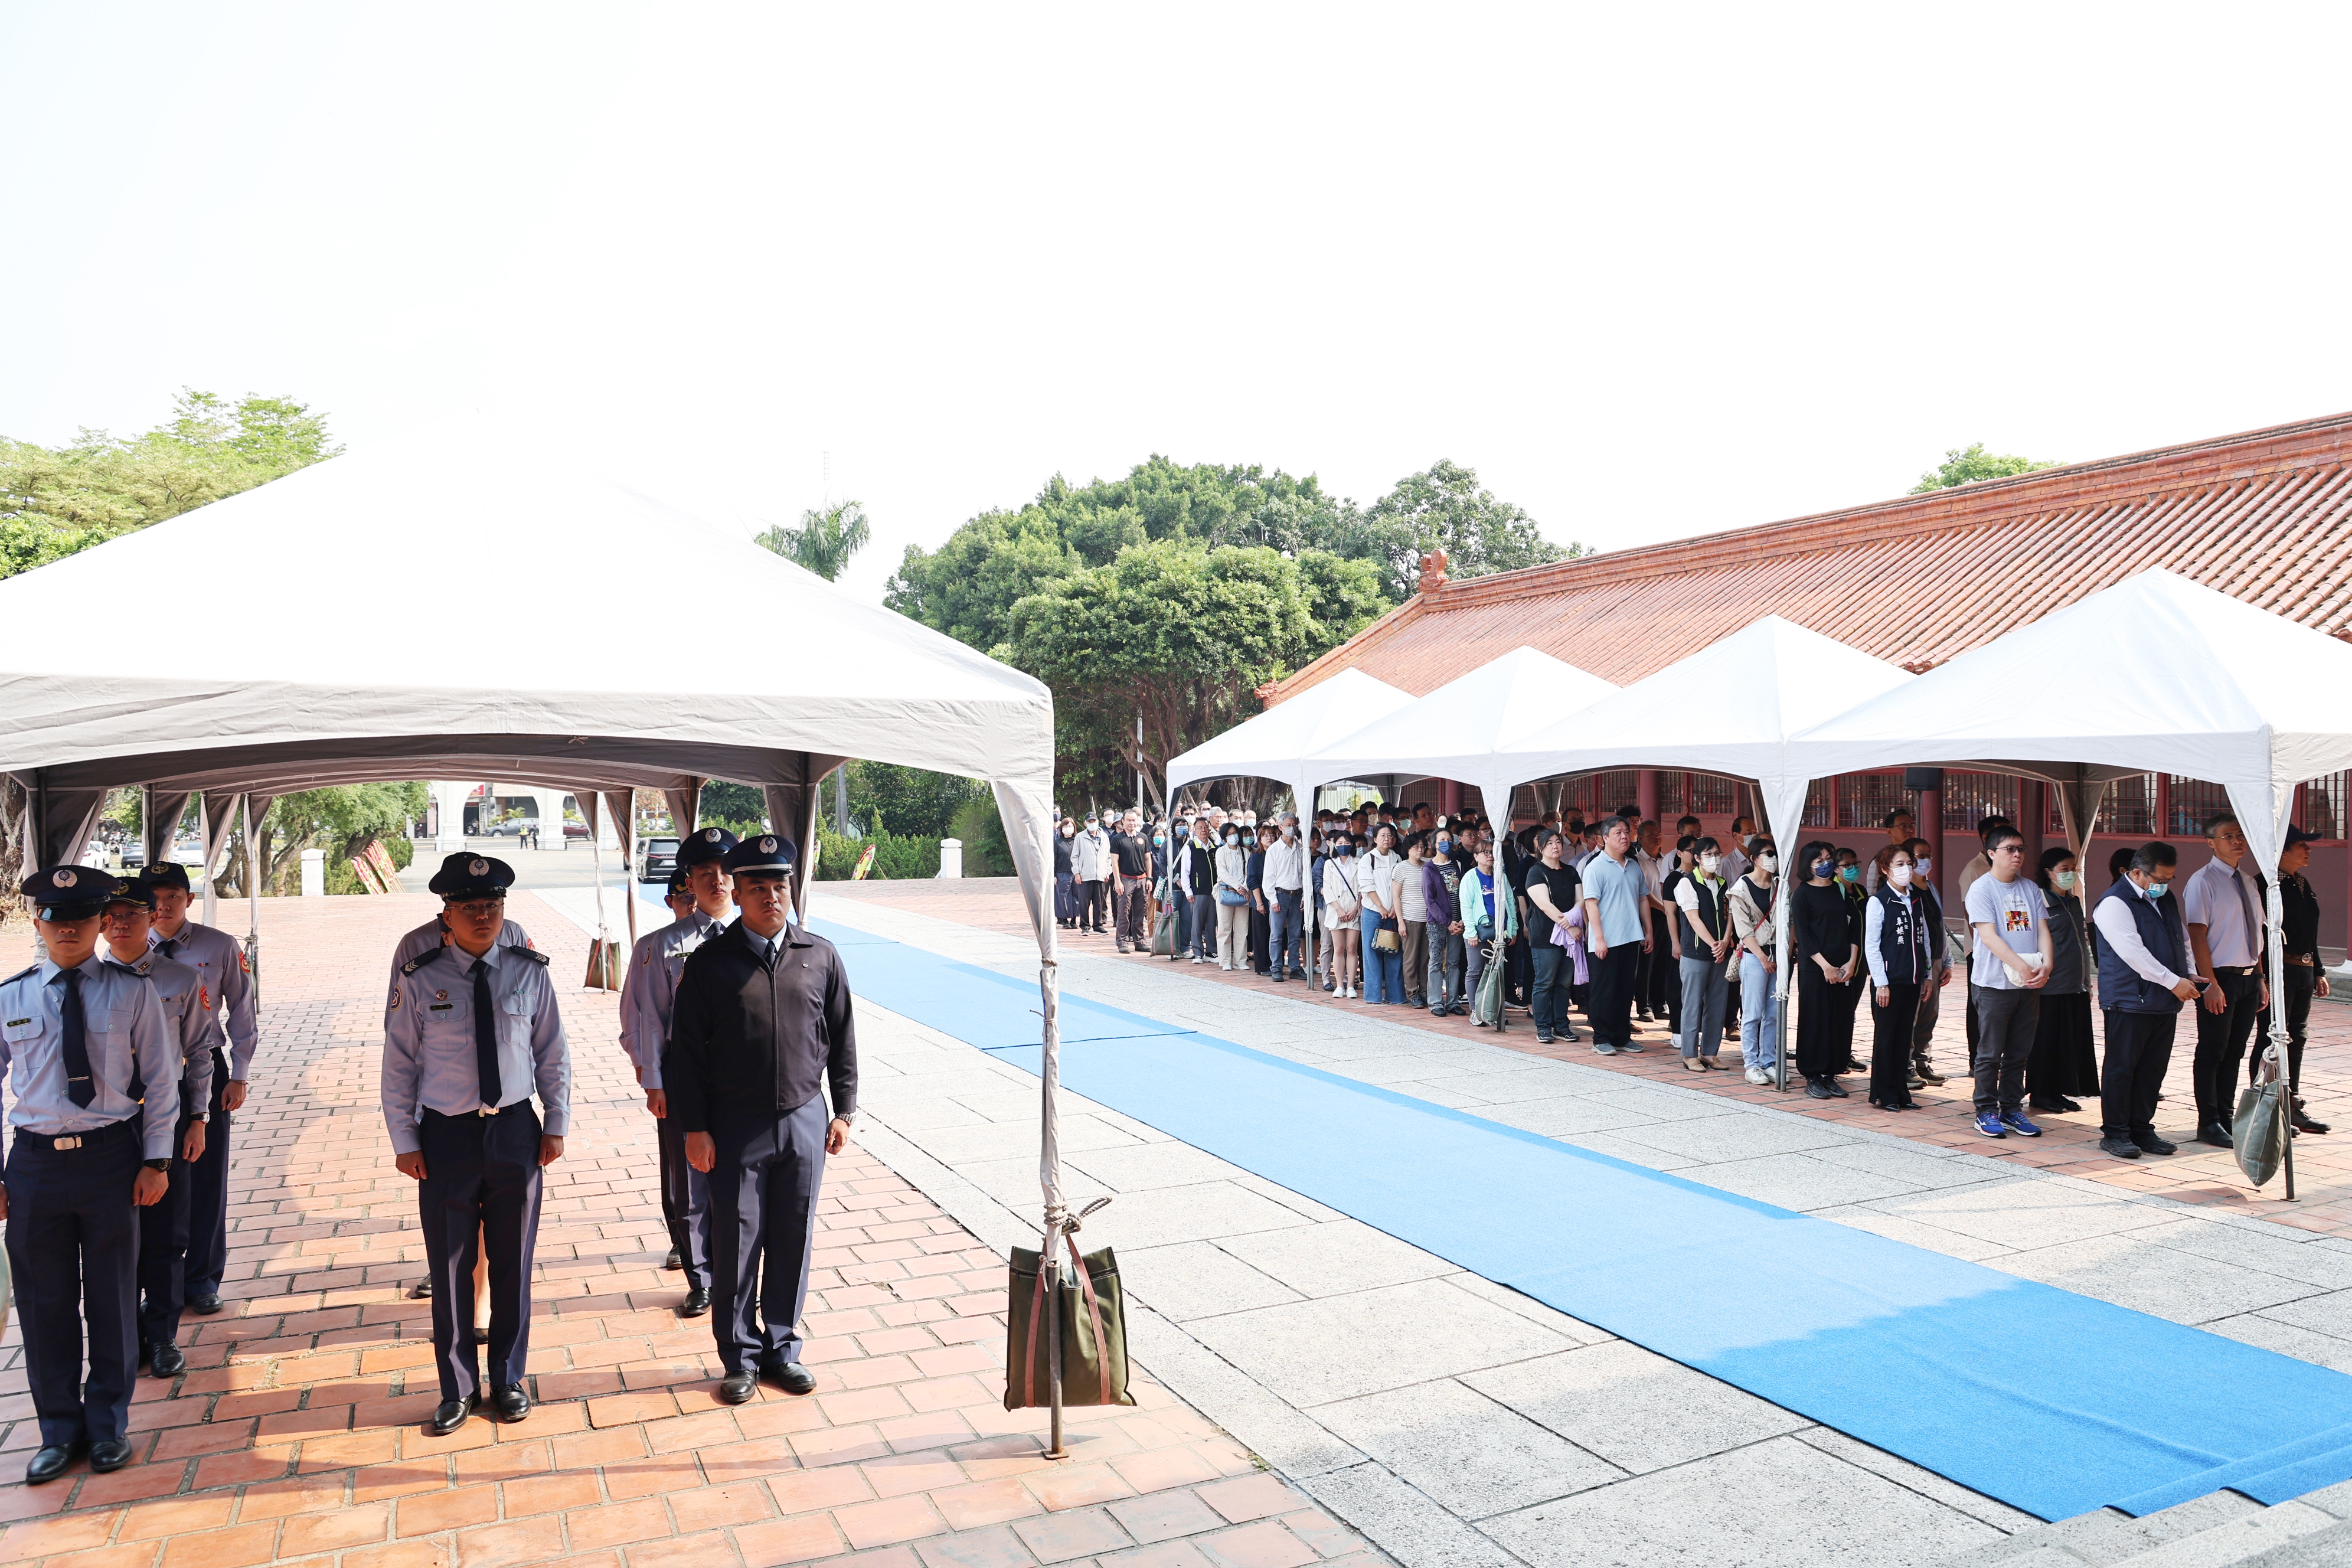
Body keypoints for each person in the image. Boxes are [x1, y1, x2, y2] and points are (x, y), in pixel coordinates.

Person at [2, 867, 180, 1482]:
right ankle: (58, 1429)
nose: (68, 928)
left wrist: (157, 1159)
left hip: (111, 1158)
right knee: (44, 1302)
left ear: (102, 922)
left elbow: (161, 1082)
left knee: (110, 1296)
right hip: (34, 1166)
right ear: (38, 923)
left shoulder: (131, 993)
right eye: (56, 918)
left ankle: (108, 1424)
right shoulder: (10, 998)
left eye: (81, 918)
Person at [383, 854, 570, 1433]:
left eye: (492, 905)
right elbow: (399, 1064)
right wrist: (405, 1137)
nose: (483, 916)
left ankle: (508, 1378)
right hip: (446, 1135)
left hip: (516, 1129)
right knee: (453, 1264)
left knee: (512, 1264)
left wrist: (557, 1121)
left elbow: (552, 1052)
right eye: (470, 907)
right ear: (447, 913)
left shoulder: (528, 970)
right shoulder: (422, 975)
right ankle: (457, 1387)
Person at [668, 834, 855, 1407]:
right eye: (757, 887)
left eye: (779, 885)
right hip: (735, 1125)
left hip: (803, 1118)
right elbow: (684, 1055)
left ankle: (782, 1346)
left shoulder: (819, 955)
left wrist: (844, 1107)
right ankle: (740, 1356)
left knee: (793, 1235)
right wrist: (694, 1127)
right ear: (739, 892)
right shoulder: (710, 963)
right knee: (738, 1239)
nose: (771, 896)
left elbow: (842, 1034)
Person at [103, 875, 217, 1378]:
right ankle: (125, 1335)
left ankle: (163, 1334)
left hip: (165, 1117)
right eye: (114, 915)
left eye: (134, 913)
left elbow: (199, 1054)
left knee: (168, 1234)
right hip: (107, 1124)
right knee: (113, 1237)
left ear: (153, 919)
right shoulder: (83, 982)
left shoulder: (180, 980)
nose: (123, 923)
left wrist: (198, 1119)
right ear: (101, 923)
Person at [620, 828, 737, 1318]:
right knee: (687, 1185)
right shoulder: (660, 947)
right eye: (703, 874)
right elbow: (643, 1017)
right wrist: (653, 1081)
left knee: (739, 1182)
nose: (715, 882)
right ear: (688, 881)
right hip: (683, 1082)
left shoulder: (755, 938)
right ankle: (702, 1278)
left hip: (742, 1084)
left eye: (723, 873)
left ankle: (736, 1272)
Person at [142, 861, 254, 1321]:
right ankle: (159, 1281)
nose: (162, 906)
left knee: (207, 1178)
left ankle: (203, 1278)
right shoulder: (122, 949)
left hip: (204, 1071)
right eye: (153, 899)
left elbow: (243, 1012)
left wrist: (240, 1074)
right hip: (145, 1080)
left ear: (189, 901)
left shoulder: (219, 946)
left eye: (172, 897)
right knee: (155, 1179)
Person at [2092, 842, 2198, 1159]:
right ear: (2136, 872)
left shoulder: (2164, 897)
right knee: (2122, 1068)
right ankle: (2116, 1132)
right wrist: (2173, 981)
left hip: (2164, 998)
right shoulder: (2114, 903)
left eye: (2170, 878)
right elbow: (2133, 953)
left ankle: (2142, 1127)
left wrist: (2190, 973)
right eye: (2159, 878)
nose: (2164, 885)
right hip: (2129, 999)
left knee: (2153, 1069)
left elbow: (2182, 938)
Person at [2182, 812, 2268, 1148]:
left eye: (2240, 836)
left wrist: (2260, 977)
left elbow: (2256, 933)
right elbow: (2197, 934)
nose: (2237, 842)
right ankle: (2209, 1121)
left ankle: (2227, 1113)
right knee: (2213, 1050)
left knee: (2235, 1050)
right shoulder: (2202, 882)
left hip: (2248, 978)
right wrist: (2210, 984)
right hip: (2221, 980)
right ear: (2210, 842)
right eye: (2228, 836)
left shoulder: (2248, 881)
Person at [1965, 825, 2053, 1139]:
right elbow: (1987, 936)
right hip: (1994, 984)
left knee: (2019, 1052)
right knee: (1990, 1052)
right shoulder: (1982, 889)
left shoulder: (2030, 888)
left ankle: (2012, 1109)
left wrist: (2047, 964)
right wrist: (2021, 966)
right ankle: (1985, 1111)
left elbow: (2043, 929)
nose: (2017, 855)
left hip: (2028, 983)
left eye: (2021, 849)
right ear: (1991, 853)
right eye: (2010, 849)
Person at [2263, 825, 2331, 1135]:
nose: (2308, 850)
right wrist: (2263, 977)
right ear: (2283, 851)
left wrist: (2318, 969)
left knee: (2298, 1038)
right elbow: (2262, 937)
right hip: (2280, 972)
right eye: (2302, 845)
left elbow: (2311, 933)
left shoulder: (2302, 883)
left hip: (2302, 971)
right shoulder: (2267, 885)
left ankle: (2291, 1104)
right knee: (2273, 1039)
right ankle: (2266, 1107)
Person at [2025, 848, 2097, 1116]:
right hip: (2050, 987)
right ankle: (2041, 1093)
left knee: (2068, 1042)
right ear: (2048, 872)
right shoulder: (2040, 904)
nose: (2070, 874)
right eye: (2064, 869)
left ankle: (2058, 1091)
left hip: (2075, 985)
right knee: (2046, 1042)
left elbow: (2081, 945)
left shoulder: (2074, 902)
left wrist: (2087, 982)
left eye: (2073, 869)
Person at [1862, 845, 1930, 1110]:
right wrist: (1881, 982)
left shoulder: (1915, 898)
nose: (1906, 869)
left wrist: (1926, 975)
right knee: (1887, 1037)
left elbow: (1923, 938)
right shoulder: (1878, 902)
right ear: (1885, 869)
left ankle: (1902, 1093)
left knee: (1905, 1038)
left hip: (1911, 980)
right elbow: (1872, 945)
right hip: (1888, 982)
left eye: (1908, 863)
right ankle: (1885, 1094)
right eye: (1899, 864)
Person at [1791, 841, 1860, 1099]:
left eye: (1829, 858)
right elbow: (1805, 937)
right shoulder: (1802, 894)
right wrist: (1826, 967)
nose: (1826, 864)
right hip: (1816, 969)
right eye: (1819, 861)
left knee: (1839, 1019)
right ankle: (1813, 1075)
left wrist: (1851, 962)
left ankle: (1831, 1073)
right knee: (1816, 1018)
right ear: (1807, 866)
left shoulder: (1840, 890)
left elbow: (1854, 928)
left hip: (1843, 967)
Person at [1580, 818, 1650, 1056]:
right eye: (1618, 832)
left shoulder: (1633, 865)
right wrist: (1599, 939)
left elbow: (1643, 899)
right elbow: (1591, 905)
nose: (1624, 836)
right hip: (1607, 940)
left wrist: (1648, 931)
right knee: (1603, 989)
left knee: (1625, 989)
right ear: (1604, 838)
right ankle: (1601, 1037)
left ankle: (1622, 1036)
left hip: (1631, 936)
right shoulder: (1595, 867)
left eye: (1627, 832)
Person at [1674, 837, 1733, 1070]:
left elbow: (1730, 915)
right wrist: (1714, 944)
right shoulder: (1686, 883)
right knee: (1692, 1004)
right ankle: (1690, 1054)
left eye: (1717, 853)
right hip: (1696, 953)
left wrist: (1726, 940)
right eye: (1708, 855)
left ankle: (1710, 1052)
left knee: (1718, 1004)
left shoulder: (1724, 884)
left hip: (1721, 953)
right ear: (1697, 858)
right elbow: (1693, 919)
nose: (1714, 859)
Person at [1521, 829, 1583, 1046]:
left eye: (1558, 842)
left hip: (1569, 936)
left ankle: (1562, 1025)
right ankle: (1544, 1027)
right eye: (1550, 843)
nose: (1555, 846)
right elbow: (1545, 906)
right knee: (1545, 982)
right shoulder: (1536, 872)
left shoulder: (1571, 871)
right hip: (1545, 935)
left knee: (1564, 983)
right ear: (1541, 848)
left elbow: (1580, 900)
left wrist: (1572, 925)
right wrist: (1570, 927)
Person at [1903, 838, 1955, 1087]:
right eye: (1919, 856)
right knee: (1910, 1013)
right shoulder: (1905, 890)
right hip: (1914, 961)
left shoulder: (1929, 886)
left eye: (1928, 855)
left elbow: (1939, 924)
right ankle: (1906, 1065)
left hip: (1935, 958)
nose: (1926, 860)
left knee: (1929, 1013)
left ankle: (1922, 1060)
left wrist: (1947, 961)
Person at [1728, 837, 1779, 1084]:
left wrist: (1784, 954)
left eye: (1775, 854)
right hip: (1754, 956)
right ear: (1754, 858)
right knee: (1752, 1012)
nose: (1773, 858)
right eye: (1768, 854)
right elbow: (1744, 930)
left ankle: (1769, 1060)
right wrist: (1762, 957)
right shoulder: (1741, 888)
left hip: (1778, 955)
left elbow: (1788, 923)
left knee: (1774, 1012)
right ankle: (1752, 1063)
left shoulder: (1780, 885)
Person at [1462, 841, 1519, 1027]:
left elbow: (1510, 904)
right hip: (1479, 932)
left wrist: (1513, 929)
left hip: (1500, 932)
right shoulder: (1470, 877)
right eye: (1485, 852)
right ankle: (1475, 1011)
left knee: (1498, 972)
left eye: (1492, 852)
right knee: (1476, 971)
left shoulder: (1500, 877)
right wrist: (1471, 932)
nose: (1489, 856)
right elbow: (1467, 907)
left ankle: (1494, 1011)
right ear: (1476, 857)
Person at [1358, 824, 1406, 1004]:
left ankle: (1395, 997)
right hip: (1373, 912)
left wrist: (1395, 907)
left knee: (1394, 952)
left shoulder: (1398, 859)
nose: (1387, 839)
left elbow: (1401, 886)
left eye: (1390, 836)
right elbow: (1366, 886)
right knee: (1371, 954)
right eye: (1383, 835)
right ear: (1375, 839)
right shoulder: (1368, 859)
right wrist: (1381, 907)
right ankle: (1373, 996)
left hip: (1393, 913)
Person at [1424, 829, 1466, 1015]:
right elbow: (1430, 901)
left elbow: (1464, 893)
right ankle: (1435, 1002)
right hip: (1438, 923)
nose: (1446, 843)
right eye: (1442, 840)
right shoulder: (1429, 869)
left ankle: (1452, 1001)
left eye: (1449, 839)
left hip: (1458, 923)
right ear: (1434, 844)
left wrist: (1462, 920)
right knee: (1436, 962)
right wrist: (1447, 922)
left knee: (1453, 962)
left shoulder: (1457, 864)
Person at [1265, 813, 1308, 982]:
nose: (1292, 828)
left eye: (1294, 824)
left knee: (1295, 934)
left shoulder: (1301, 848)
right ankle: (1276, 967)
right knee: (1276, 934)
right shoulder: (1274, 850)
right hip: (1280, 895)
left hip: (1297, 895)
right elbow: (1268, 877)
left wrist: (1305, 896)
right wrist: (1273, 899)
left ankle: (1295, 967)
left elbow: (1304, 874)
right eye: (1288, 825)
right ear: (1280, 827)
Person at [1321, 836, 1363, 998]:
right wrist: (1338, 909)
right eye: (1340, 843)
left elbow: (1362, 887)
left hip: (1354, 909)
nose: (1343, 846)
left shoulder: (1359, 862)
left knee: (1352, 948)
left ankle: (1351, 985)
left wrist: (1355, 907)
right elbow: (1327, 887)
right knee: (1338, 948)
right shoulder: (1329, 864)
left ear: (1351, 844)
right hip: (1335, 909)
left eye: (1346, 843)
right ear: (1334, 845)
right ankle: (1339, 985)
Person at [1109, 809, 1152, 955]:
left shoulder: (1143, 837)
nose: (1131, 823)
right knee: (1124, 913)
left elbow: (1148, 859)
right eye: (1128, 820)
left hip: (1142, 880)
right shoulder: (1117, 839)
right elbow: (1114, 862)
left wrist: (1149, 878)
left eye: (1134, 820)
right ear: (1123, 821)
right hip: (1125, 880)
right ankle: (1122, 942)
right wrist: (1118, 881)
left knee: (1141, 913)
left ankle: (1139, 941)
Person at [1397, 832, 1432, 1008]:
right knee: (1410, 958)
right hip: (1410, 918)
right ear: (1408, 850)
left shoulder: (1428, 866)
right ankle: (1412, 993)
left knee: (1426, 957)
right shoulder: (1401, 868)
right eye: (1416, 847)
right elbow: (1396, 897)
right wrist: (1400, 922)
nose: (1420, 850)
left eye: (1422, 847)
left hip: (1428, 918)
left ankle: (1425, 991)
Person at [1177, 816, 1217, 964]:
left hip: (1213, 892)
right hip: (1197, 892)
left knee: (1212, 923)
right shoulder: (1191, 848)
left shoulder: (1214, 848)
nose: (1204, 830)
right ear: (1194, 830)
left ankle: (1212, 951)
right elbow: (1185, 872)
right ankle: (1198, 952)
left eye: (1206, 827)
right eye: (1200, 827)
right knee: (1197, 924)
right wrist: (1188, 891)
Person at [1214, 822, 1251, 972]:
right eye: (1229, 834)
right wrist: (1238, 886)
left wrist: (1245, 886)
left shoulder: (1245, 852)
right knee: (1224, 928)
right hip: (1226, 892)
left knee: (1242, 928)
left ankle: (1240, 960)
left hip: (1244, 894)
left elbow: (1249, 872)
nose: (1233, 836)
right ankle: (1225, 961)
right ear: (1224, 837)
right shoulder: (1221, 852)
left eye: (1235, 833)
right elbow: (1223, 873)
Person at [1071, 814, 1112, 935]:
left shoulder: (1104, 837)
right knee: (1084, 902)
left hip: (1100, 874)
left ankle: (1098, 925)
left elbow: (1108, 857)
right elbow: (1075, 857)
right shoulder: (1080, 837)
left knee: (1099, 902)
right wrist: (1077, 873)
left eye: (1094, 821)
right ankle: (1085, 926)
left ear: (1098, 821)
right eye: (1090, 822)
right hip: (1085, 874)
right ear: (1085, 823)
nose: (1092, 823)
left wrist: (1107, 871)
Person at [1244, 824, 1274, 975]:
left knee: (1274, 934)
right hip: (1261, 899)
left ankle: (1275, 963)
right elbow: (1253, 881)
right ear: (1260, 839)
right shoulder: (1256, 857)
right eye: (1265, 836)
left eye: (1272, 835)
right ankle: (1262, 966)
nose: (1269, 838)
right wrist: (1259, 903)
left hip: (1276, 899)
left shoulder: (1277, 855)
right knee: (1261, 933)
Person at [1053, 817, 1077, 928]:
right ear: (1061, 829)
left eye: (1070, 826)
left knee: (1076, 896)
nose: (1068, 829)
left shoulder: (1078, 840)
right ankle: (1064, 920)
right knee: (1063, 896)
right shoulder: (1057, 842)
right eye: (1066, 826)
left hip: (1077, 873)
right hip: (1062, 872)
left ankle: (1074, 920)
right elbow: (1054, 859)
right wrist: (1054, 875)